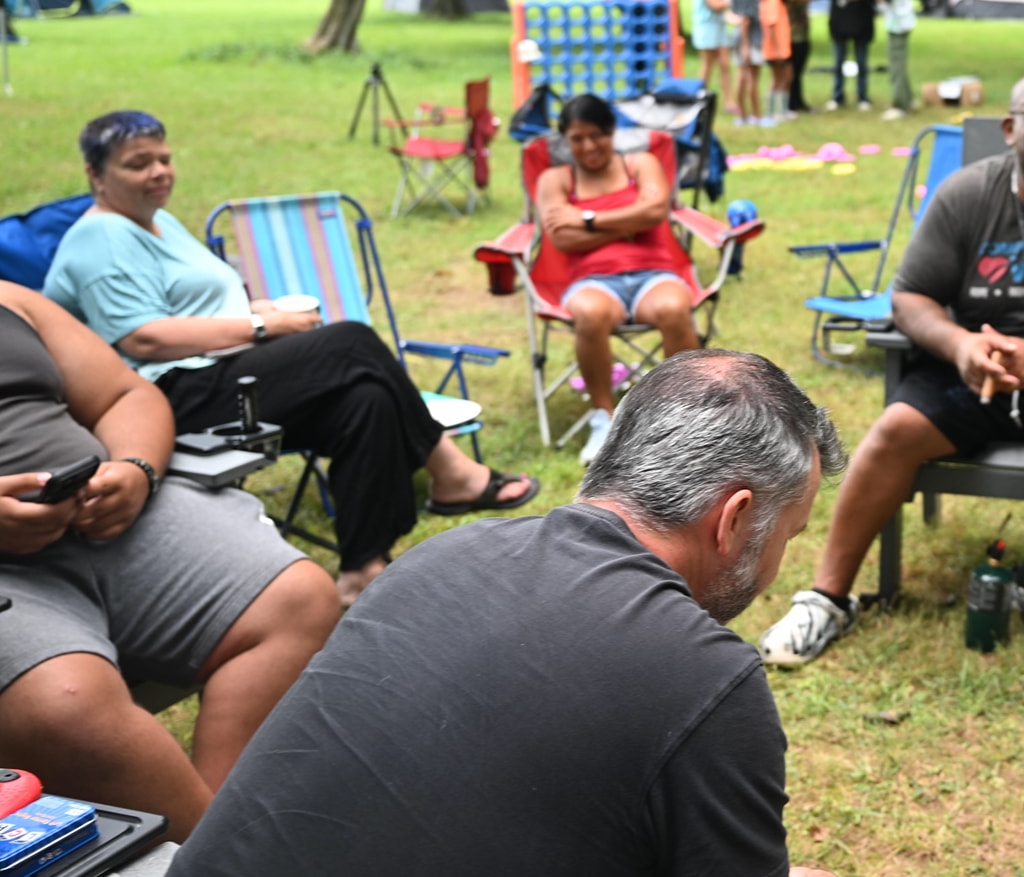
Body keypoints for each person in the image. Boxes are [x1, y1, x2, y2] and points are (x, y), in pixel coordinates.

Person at [174, 351, 845, 877]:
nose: (779, 557)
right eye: (791, 531)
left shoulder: (441, 556)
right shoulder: (705, 679)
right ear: (734, 519)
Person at [43, 112, 537, 606]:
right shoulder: (99, 237)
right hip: (166, 399)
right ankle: (450, 472)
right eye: (138, 164)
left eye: (164, 159)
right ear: (95, 174)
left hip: (221, 372)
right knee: (351, 342)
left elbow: (196, 305)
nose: (159, 172)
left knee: (366, 400)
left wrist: (258, 310)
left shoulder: (158, 222)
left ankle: (362, 568)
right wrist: (263, 327)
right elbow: (142, 337)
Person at [759, 70, 1024, 663]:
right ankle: (828, 598)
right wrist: (959, 346)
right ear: (1010, 129)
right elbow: (911, 296)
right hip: (970, 371)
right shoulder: (967, 193)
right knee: (893, 431)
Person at [0, 282, 337, 842]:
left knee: (295, 599)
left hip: (109, 513)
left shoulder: (10, 299)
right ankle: (221, 856)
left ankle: (224, 835)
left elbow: (123, 395)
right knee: (65, 707)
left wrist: (135, 469)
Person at [535, 94, 703, 464]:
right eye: (577, 139)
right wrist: (629, 223)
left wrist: (588, 219)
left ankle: (682, 417)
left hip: (654, 274)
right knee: (591, 313)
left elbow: (656, 210)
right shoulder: (555, 178)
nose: (589, 146)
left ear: (612, 132)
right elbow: (562, 238)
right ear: (566, 140)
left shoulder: (639, 163)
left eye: (597, 135)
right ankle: (603, 420)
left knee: (675, 308)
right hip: (592, 281)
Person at [865, 0, 915, 120]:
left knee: (896, 65)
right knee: (899, 62)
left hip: (898, 20)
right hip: (900, 18)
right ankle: (907, 99)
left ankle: (900, 105)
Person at [689, 0, 734, 102]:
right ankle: (699, 98)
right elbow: (714, 4)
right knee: (707, 64)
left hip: (720, 26)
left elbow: (726, 2)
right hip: (706, 27)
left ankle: (730, 100)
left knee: (724, 64)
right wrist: (727, 2)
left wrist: (725, 3)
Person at [728, 0, 764, 128]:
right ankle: (757, 116)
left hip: (739, 39)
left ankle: (742, 115)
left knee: (741, 76)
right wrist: (746, 46)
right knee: (751, 78)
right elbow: (745, 21)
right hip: (749, 40)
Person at [783, 0, 822, 115]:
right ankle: (789, 103)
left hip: (802, 33)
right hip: (791, 34)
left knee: (799, 70)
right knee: (791, 71)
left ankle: (798, 102)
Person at [760, 0, 794, 125]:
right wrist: (778, 49)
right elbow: (771, 26)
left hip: (781, 47)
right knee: (777, 79)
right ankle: (773, 112)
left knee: (786, 77)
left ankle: (782, 110)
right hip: (776, 49)